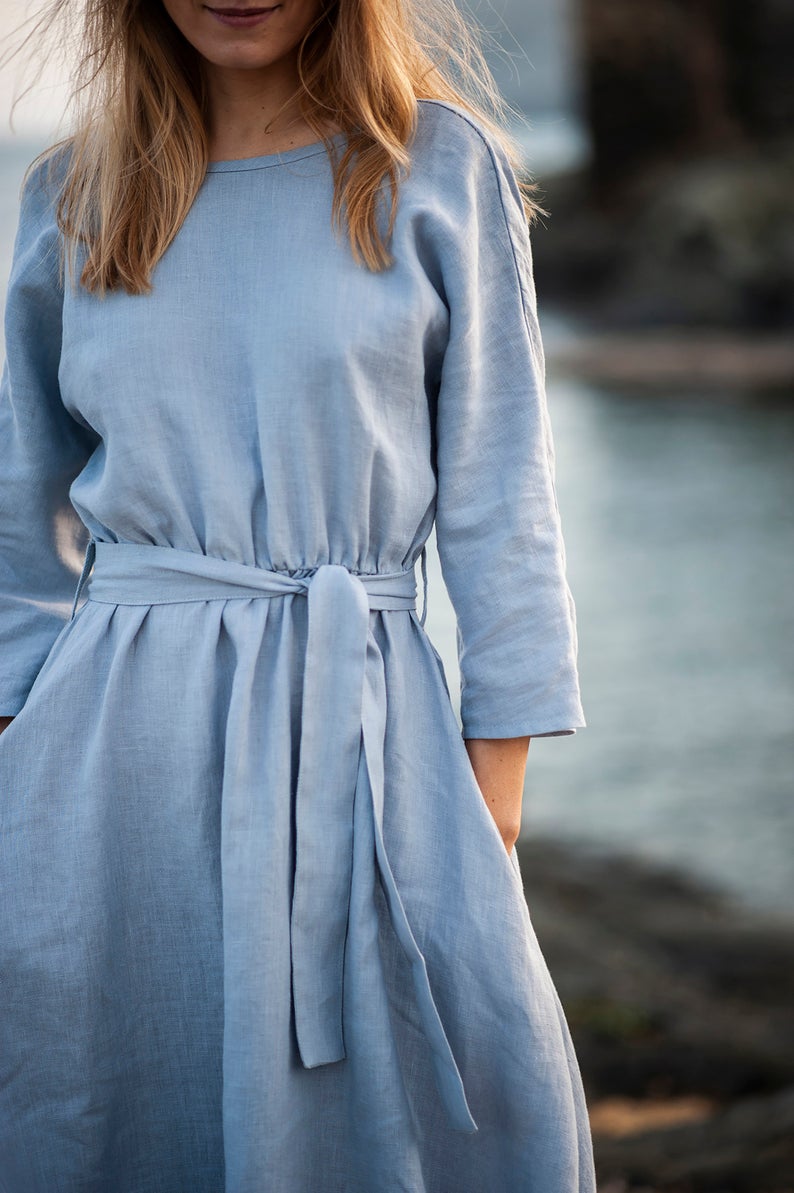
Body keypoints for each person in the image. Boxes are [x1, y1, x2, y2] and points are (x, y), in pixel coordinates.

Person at [0, 0, 595, 1189]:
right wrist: (21, 742)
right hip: (109, 759)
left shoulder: (436, 167)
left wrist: (492, 801)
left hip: (372, 733)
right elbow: (20, 501)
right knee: (111, 1109)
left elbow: (502, 496)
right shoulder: (73, 190)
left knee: (449, 1101)